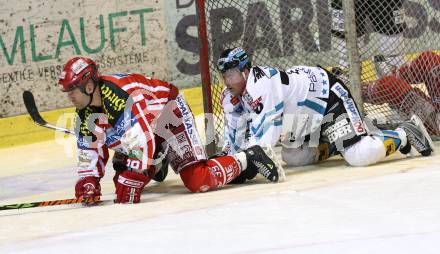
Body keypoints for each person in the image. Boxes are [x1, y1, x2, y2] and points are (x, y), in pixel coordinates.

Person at [58, 57, 282, 204]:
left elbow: (142, 139)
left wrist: (134, 172)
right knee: (122, 182)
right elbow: (89, 151)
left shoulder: (120, 97)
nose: (70, 97)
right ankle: (159, 159)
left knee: (197, 180)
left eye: (72, 91)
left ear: (89, 86)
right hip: (147, 128)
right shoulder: (85, 112)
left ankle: (249, 157)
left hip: (168, 114)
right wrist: (89, 182)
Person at [216, 47, 434, 168]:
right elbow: (233, 134)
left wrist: (239, 162)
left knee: (359, 155)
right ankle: (334, 141)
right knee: (294, 158)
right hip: (304, 114)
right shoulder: (233, 95)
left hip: (327, 97)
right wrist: (225, 157)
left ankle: (406, 133)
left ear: (245, 71)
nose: (227, 81)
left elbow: (267, 139)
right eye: (225, 76)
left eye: (232, 75)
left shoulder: (260, 86)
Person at [362, 51, 440, 136]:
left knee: (389, 86)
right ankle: (393, 75)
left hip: (436, 121)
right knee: (428, 59)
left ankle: (351, 94)